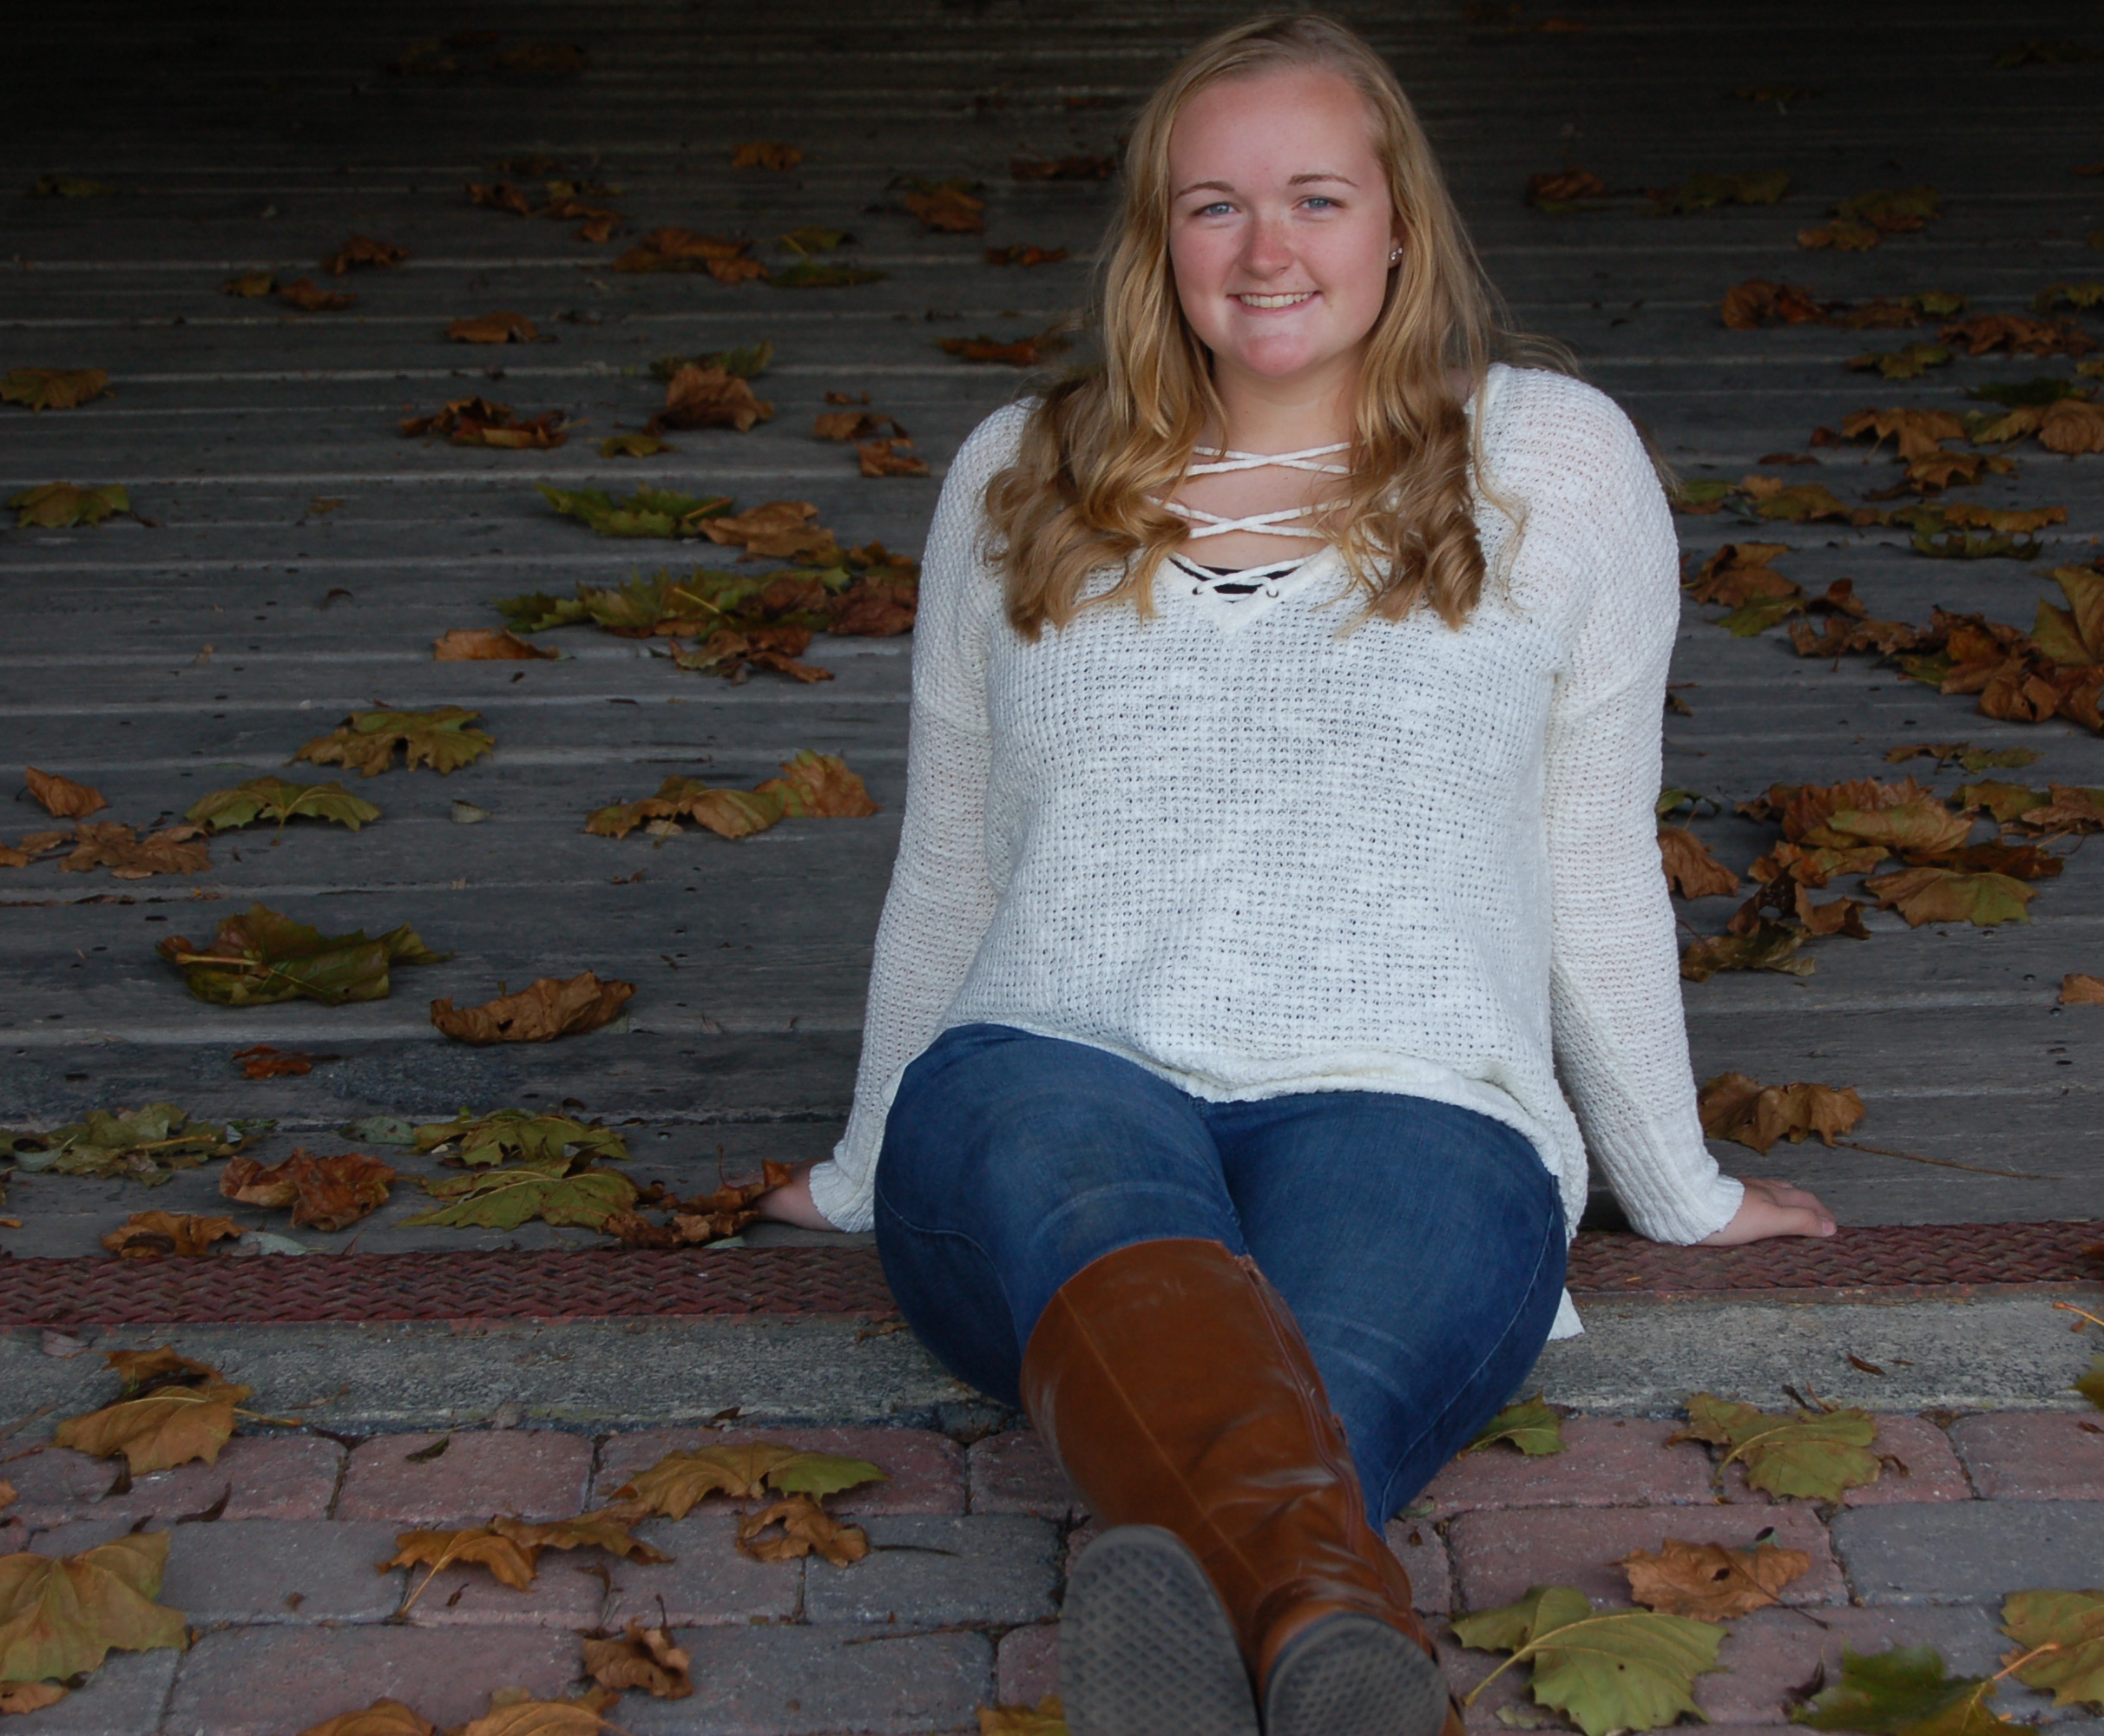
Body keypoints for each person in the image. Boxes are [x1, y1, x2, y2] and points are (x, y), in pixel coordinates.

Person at [755, 14, 1835, 1734]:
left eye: (1317, 198)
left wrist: (1674, 1184)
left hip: (1419, 1105)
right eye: (1216, 206)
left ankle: (1264, 1634)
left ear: (1400, 225)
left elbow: (1591, 855)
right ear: (1158, 241)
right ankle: (1332, 1635)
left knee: (1298, 1400)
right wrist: (871, 1161)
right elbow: (953, 855)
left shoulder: (1549, 464)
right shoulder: (1024, 472)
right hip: (1049, 1084)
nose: (1268, 251)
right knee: (1143, 1265)